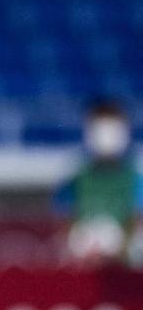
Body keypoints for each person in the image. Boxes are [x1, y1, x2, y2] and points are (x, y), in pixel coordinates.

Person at [54, 98, 143, 268]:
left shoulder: (135, 178)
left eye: (112, 129)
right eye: (100, 129)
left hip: (127, 266)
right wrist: (79, 245)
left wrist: (121, 246)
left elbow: (138, 218)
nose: (106, 136)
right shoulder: (76, 177)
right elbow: (63, 220)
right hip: (83, 263)